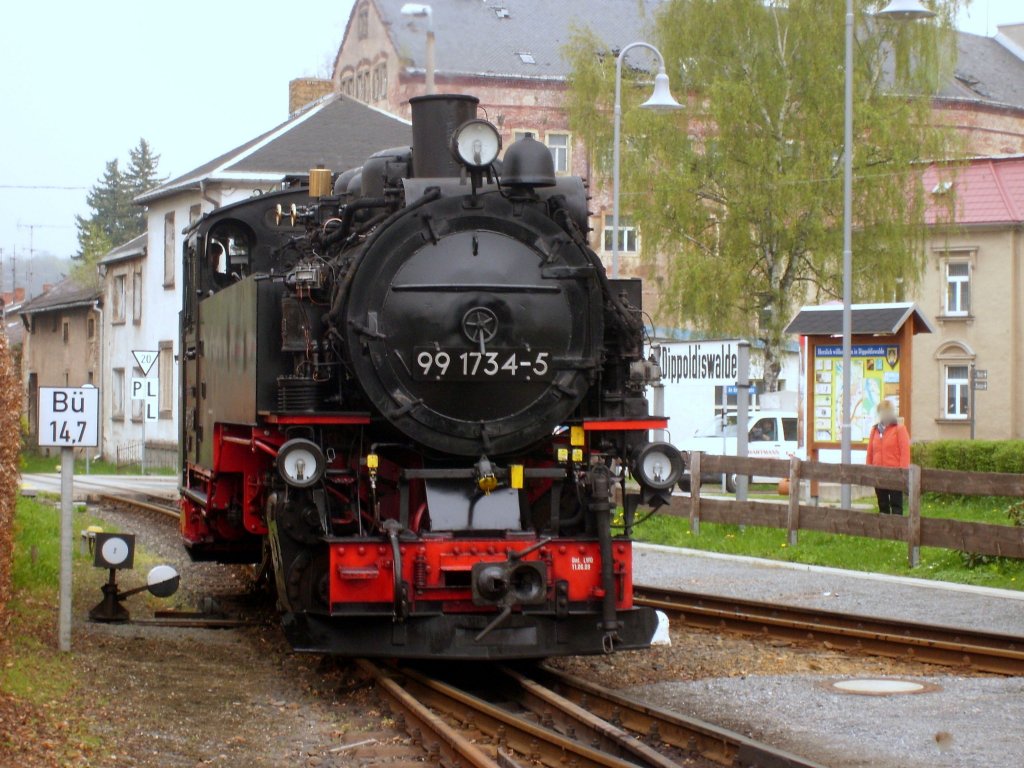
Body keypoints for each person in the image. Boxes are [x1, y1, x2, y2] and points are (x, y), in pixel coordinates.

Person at [866, 400, 910, 514]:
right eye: (882, 412)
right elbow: (870, 452)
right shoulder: (875, 430)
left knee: (896, 506)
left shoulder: (899, 429)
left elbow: (905, 452)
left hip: (894, 473)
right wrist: (869, 470)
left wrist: (902, 473)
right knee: (882, 505)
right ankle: (885, 531)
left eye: (887, 412)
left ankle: (897, 530)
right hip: (878, 473)